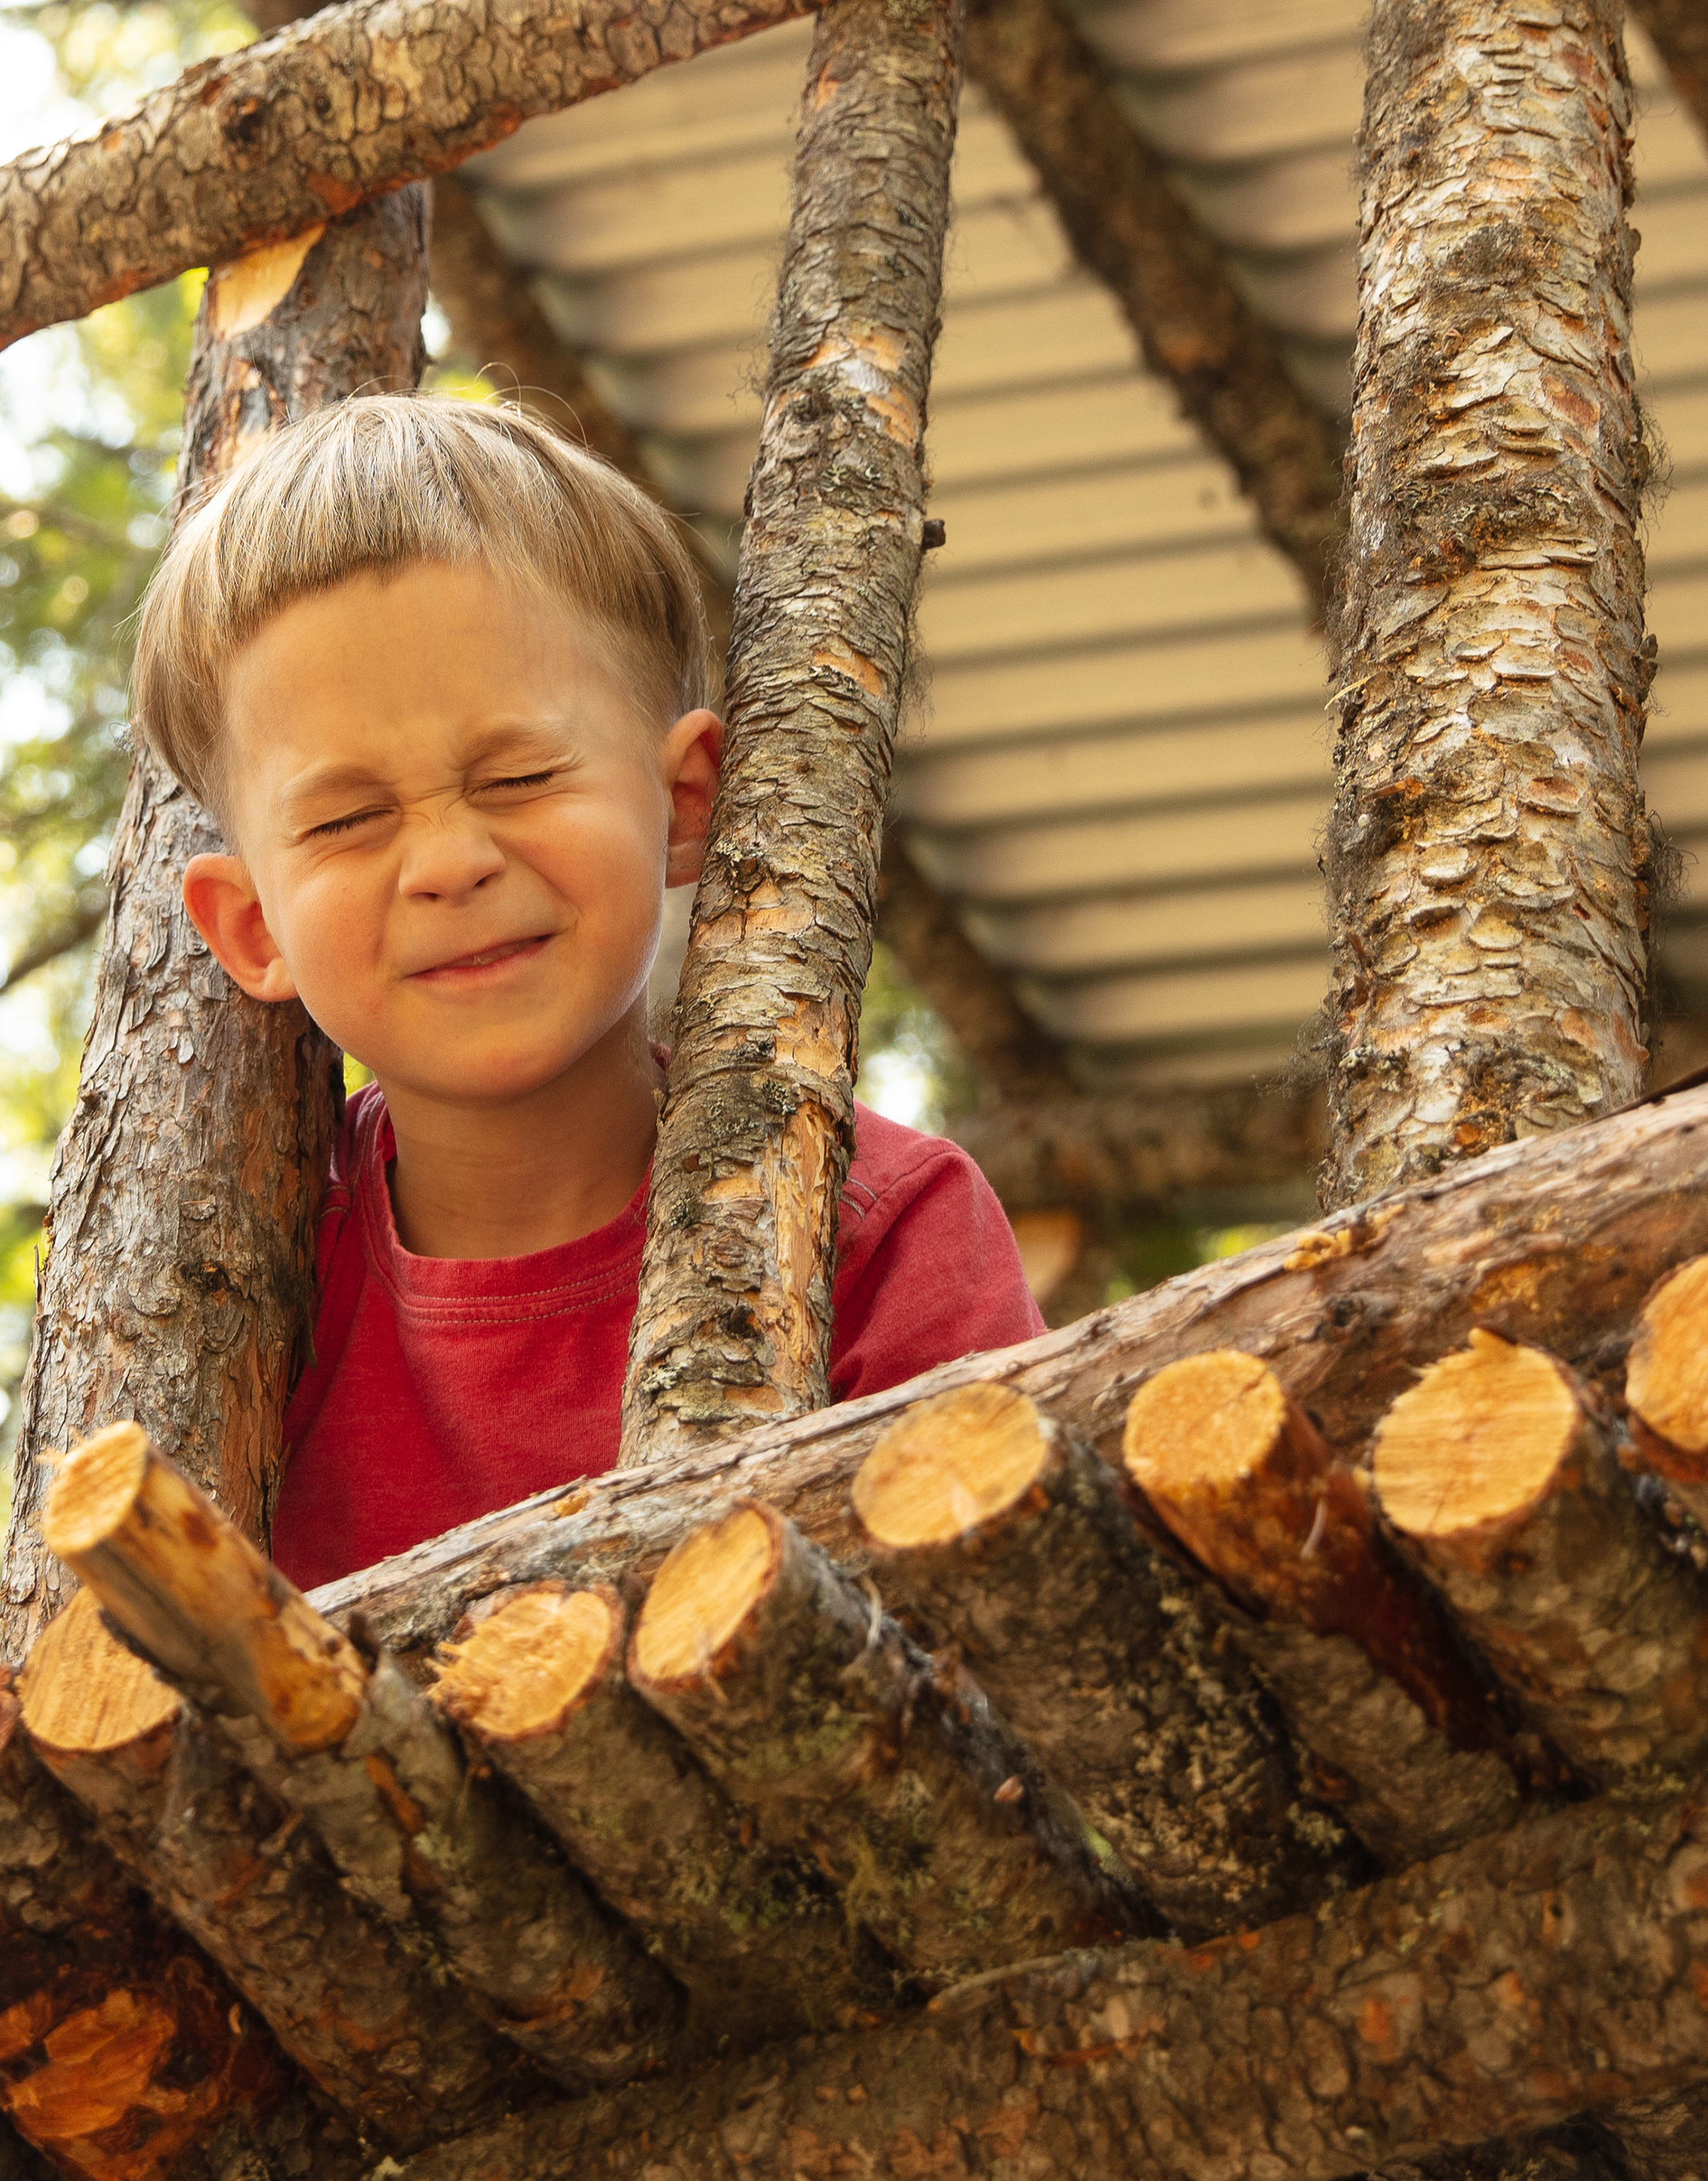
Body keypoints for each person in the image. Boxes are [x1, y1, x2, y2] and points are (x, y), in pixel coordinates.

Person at [133, 391, 1043, 1588]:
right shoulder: (241, 1300)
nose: (451, 861)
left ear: (679, 803)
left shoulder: (880, 1230)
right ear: (254, 929)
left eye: (516, 775)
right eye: (349, 818)